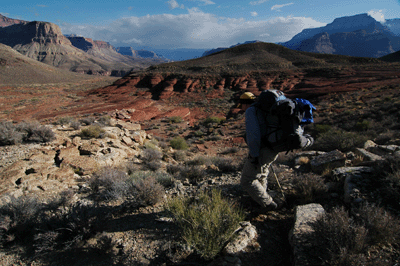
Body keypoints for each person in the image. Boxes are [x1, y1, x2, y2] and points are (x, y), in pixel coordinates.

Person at [241, 90, 314, 211]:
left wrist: (254, 155)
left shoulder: (252, 111)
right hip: (273, 147)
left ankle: (269, 205)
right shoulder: (266, 111)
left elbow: (253, 136)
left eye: (241, 105)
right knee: (262, 174)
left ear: (245, 103)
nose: (242, 108)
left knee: (247, 181)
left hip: (264, 150)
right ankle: (260, 201)